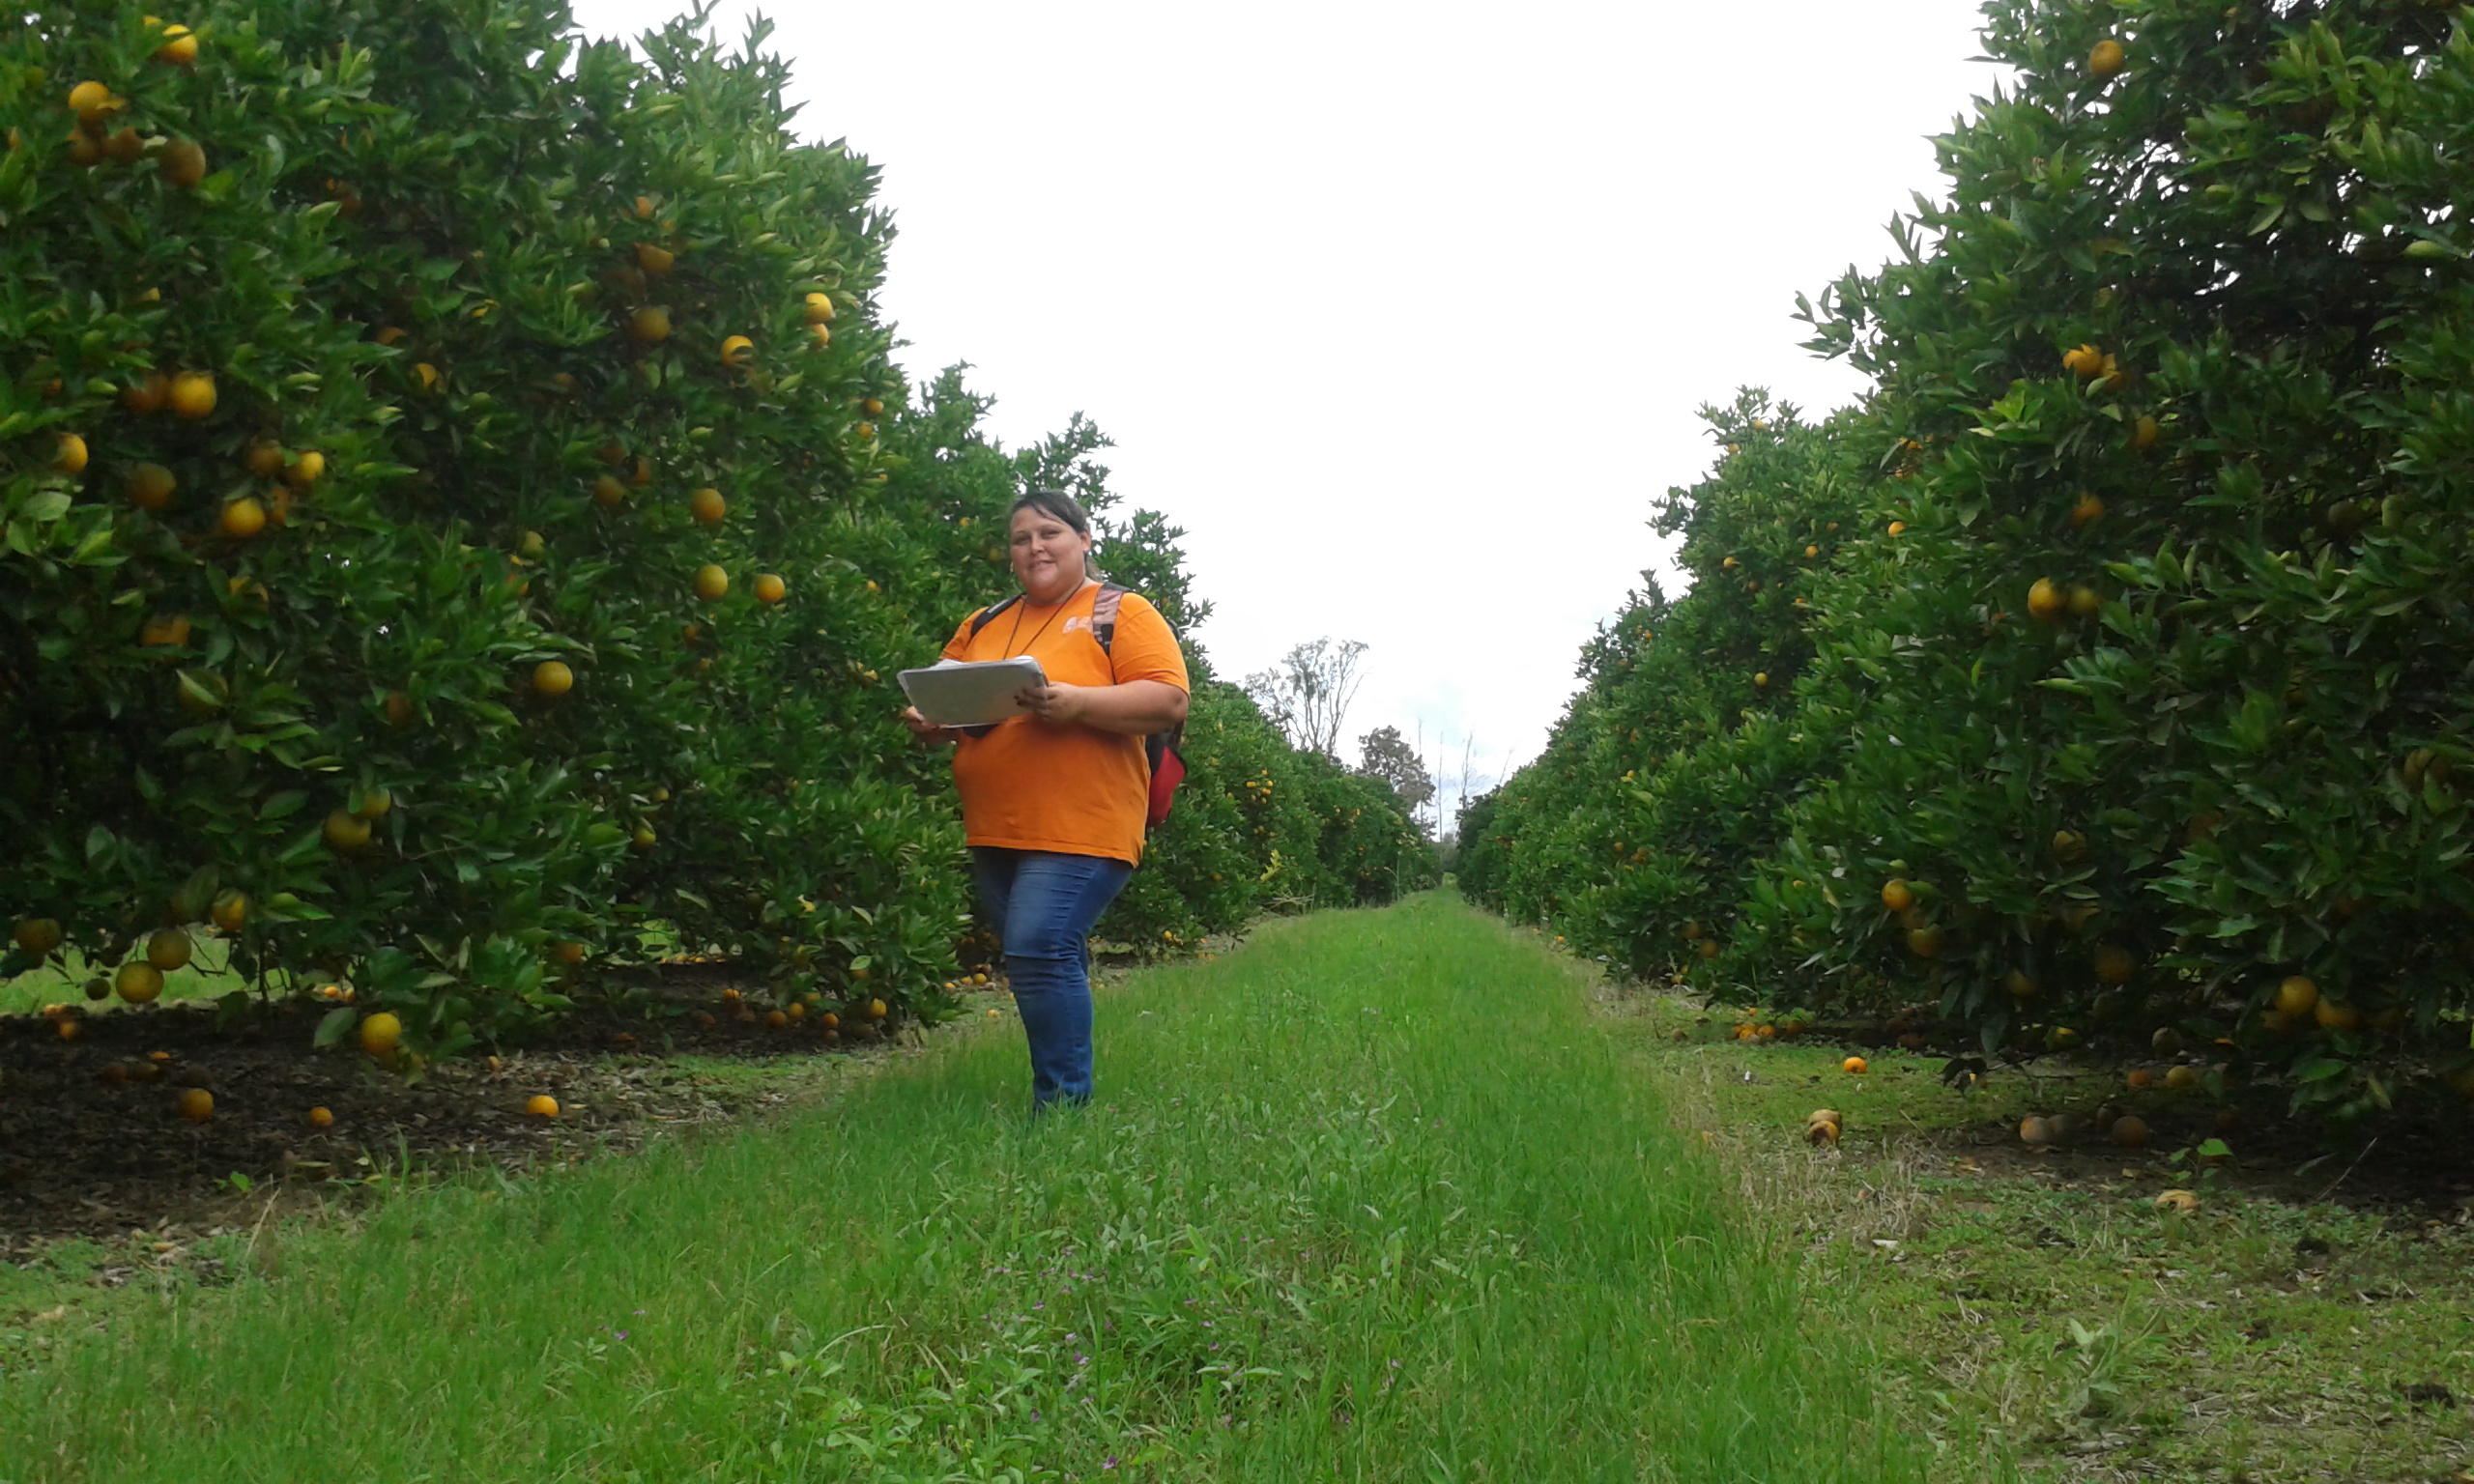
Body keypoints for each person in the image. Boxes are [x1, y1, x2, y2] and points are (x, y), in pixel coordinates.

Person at [902, 490, 1190, 1108]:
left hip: (1086, 824)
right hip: (996, 826)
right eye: (1021, 538)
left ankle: (1060, 1107)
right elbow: (945, 698)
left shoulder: (1122, 611)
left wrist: (1077, 702)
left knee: (1038, 946)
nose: (1035, 547)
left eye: (1050, 533)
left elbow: (1168, 700)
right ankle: (1061, 1090)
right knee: (1041, 956)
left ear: (1084, 541)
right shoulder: (984, 624)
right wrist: (929, 721)